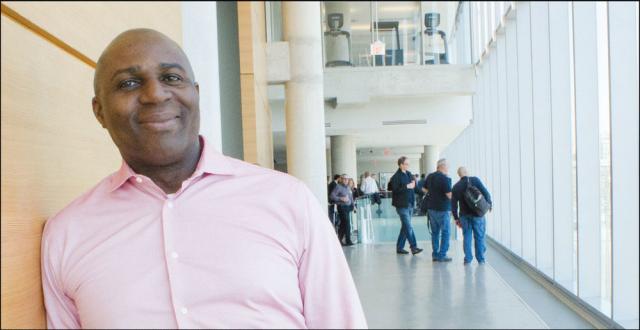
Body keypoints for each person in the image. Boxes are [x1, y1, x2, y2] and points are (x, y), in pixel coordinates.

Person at [41, 29, 367, 329]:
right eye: (128, 83)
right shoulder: (66, 235)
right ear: (99, 111)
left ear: (195, 95)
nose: (155, 94)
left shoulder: (288, 201)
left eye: (171, 77)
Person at [452, 166, 492, 265]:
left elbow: (453, 205)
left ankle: (468, 259)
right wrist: (489, 204)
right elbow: (486, 193)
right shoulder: (475, 180)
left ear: (459, 175)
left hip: (464, 216)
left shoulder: (456, 186)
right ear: (466, 172)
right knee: (479, 236)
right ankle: (481, 259)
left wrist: (456, 218)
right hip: (478, 214)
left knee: (467, 237)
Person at [388, 156, 423, 255]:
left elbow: (415, 188)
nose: (408, 165)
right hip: (401, 205)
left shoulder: (409, 174)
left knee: (405, 227)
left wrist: (425, 193)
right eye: (406, 164)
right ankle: (414, 247)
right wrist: (407, 186)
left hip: (410, 204)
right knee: (408, 226)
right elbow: (395, 190)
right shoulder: (396, 177)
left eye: (408, 164)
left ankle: (399, 247)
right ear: (401, 165)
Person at [423, 158, 453, 262]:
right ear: (443, 166)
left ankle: (435, 254)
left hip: (431, 209)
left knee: (435, 232)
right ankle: (442, 255)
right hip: (443, 209)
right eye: (447, 166)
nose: (448, 168)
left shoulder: (430, 176)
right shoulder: (444, 178)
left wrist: (432, 193)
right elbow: (449, 195)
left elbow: (424, 188)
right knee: (446, 232)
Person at [330, 174, 355, 246]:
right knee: (347, 223)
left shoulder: (348, 188)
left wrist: (353, 205)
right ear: (341, 179)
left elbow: (351, 197)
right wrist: (341, 198)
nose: (346, 180)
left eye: (347, 179)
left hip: (348, 207)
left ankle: (339, 240)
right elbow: (332, 196)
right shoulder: (338, 187)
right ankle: (348, 240)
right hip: (341, 207)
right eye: (344, 179)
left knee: (343, 224)